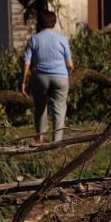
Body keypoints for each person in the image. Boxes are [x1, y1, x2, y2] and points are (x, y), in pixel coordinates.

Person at [21, 10, 74, 142]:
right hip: (60, 77)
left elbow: (27, 62)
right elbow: (70, 64)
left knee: (40, 107)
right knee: (59, 108)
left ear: (40, 22)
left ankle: (40, 136)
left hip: (40, 77)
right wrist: (68, 76)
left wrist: (23, 82)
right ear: (54, 22)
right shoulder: (62, 39)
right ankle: (57, 140)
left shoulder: (34, 39)